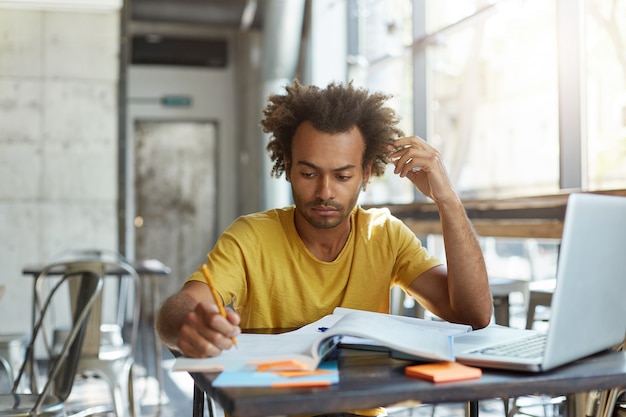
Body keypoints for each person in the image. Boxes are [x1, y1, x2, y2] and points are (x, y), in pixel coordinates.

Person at [156, 79, 493, 416]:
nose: (325, 192)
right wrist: (189, 324)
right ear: (287, 167)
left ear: (365, 175)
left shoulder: (384, 235)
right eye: (308, 173)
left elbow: (473, 316)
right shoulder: (251, 237)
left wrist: (447, 199)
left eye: (343, 176)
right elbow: (182, 308)